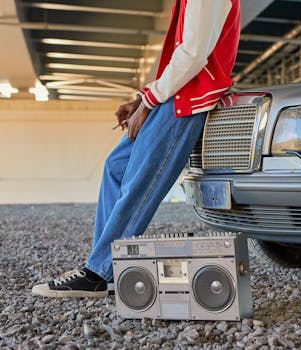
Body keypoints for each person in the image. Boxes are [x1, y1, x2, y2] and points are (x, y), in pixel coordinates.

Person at [32, 0, 241, 298]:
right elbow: (184, 56)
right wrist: (144, 100)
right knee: (116, 167)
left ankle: (98, 273)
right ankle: (104, 269)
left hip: (187, 102)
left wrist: (149, 101)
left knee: (139, 182)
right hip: (173, 96)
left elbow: (194, 54)